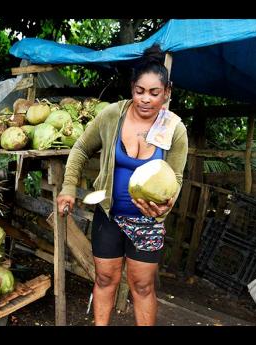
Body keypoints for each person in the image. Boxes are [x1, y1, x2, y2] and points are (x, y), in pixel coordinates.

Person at [56, 44, 188, 326]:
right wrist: (68, 186)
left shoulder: (174, 129)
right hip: (109, 214)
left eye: (154, 93)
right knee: (105, 279)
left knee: (142, 286)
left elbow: (176, 179)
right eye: (140, 91)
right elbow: (80, 148)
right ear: (131, 88)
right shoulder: (112, 115)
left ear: (167, 92)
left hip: (148, 220)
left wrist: (165, 204)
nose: (146, 100)